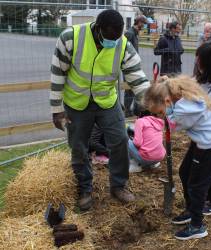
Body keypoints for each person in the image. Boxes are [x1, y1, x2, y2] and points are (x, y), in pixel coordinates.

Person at [50, 9, 150, 211]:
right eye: (110, 37)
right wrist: (56, 109)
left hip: (106, 101)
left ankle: (118, 186)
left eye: (117, 37)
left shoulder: (122, 44)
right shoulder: (71, 38)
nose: (114, 41)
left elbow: (136, 76)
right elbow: (57, 73)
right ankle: (85, 188)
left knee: (120, 140)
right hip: (77, 103)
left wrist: (150, 101)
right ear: (98, 29)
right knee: (79, 147)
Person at [144, 75, 211, 240]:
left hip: (210, 144)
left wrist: (159, 124)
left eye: (159, 113)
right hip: (203, 140)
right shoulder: (177, 97)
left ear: (167, 101)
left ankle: (197, 225)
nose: (160, 116)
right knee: (185, 172)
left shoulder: (183, 108)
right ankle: (194, 208)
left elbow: (175, 125)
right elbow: (172, 119)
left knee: (196, 185)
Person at [124, 15, 148, 117]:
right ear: (138, 22)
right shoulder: (129, 33)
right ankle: (127, 111)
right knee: (128, 89)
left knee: (134, 88)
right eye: (143, 23)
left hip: (134, 64)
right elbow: (125, 49)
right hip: (128, 66)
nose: (144, 26)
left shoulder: (135, 33)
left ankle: (133, 110)